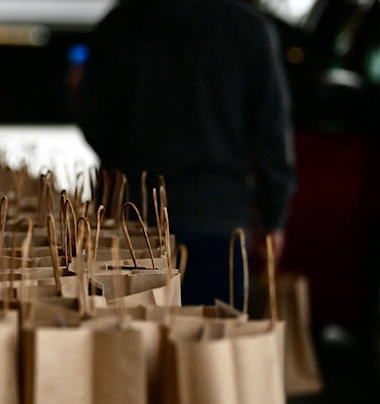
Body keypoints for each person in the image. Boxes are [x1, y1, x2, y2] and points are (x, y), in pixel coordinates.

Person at [77, 0, 295, 307]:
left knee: (130, 348)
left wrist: (127, 158)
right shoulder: (248, 29)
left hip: (132, 223)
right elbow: (271, 134)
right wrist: (274, 217)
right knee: (212, 348)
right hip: (218, 222)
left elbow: (94, 120)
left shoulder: (119, 26)